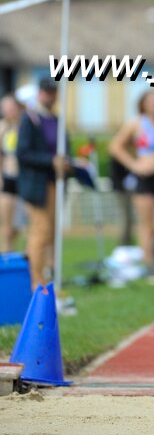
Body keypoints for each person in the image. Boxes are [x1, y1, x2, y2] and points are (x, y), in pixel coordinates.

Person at [109, 91, 154, 275]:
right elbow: (115, 146)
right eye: (152, 101)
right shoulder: (137, 123)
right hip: (144, 179)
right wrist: (134, 165)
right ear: (144, 104)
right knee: (147, 224)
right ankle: (149, 264)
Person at [16, 78, 70, 289]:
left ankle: (49, 272)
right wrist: (50, 161)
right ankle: (35, 280)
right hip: (36, 185)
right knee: (41, 229)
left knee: (52, 231)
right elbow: (23, 153)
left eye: (53, 92)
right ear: (40, 93)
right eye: (47, 92)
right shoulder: (30, 119)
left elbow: (64, 148)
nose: (51, 96)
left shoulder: (57, 120)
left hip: (55, 183)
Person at [0, 93, 24, 252]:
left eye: (11, 108)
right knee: (6, 224)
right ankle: (7, 252)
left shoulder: (24, 126)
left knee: (20, 223)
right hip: (7, 177)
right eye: (5, 108)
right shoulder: (2, 127)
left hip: (23, 178)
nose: (8, 111)